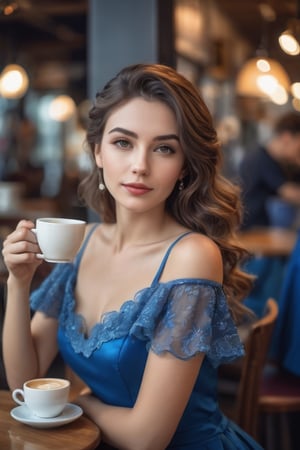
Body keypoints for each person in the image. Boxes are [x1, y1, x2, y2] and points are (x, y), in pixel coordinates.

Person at [2, 63, 262, 450]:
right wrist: (18, 282)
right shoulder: (83, 243)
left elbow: (146, 438)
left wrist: (81, 402)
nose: (140, 165)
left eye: (163, 148)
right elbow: (26, 384)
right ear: (98, 152)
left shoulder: (191, 256)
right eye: (123, 142)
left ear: (184, 166)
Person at [238, 111, 300, 230]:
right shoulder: (260, 159)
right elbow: (290, 193)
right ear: (287, 137)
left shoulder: (283, 162)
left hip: (267, 232)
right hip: (251, 232)